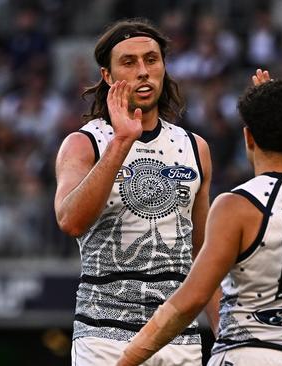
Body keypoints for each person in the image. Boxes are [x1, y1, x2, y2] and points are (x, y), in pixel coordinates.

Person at [117, 75, 282, 366]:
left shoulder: (237, 206)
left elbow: (190, 300)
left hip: (246, 354)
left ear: (248, 137)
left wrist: (127, 359)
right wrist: (278, 115)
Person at [54, 18, 217, 366]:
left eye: (151, 60)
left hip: (179, 341)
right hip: (103, 338)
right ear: (108, 76)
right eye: (129, 62)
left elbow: (204, 254)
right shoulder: (84, 143)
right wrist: (122, 142)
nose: (143, 71)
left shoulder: (195, 147)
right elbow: (70, 221)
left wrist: (227, 337)